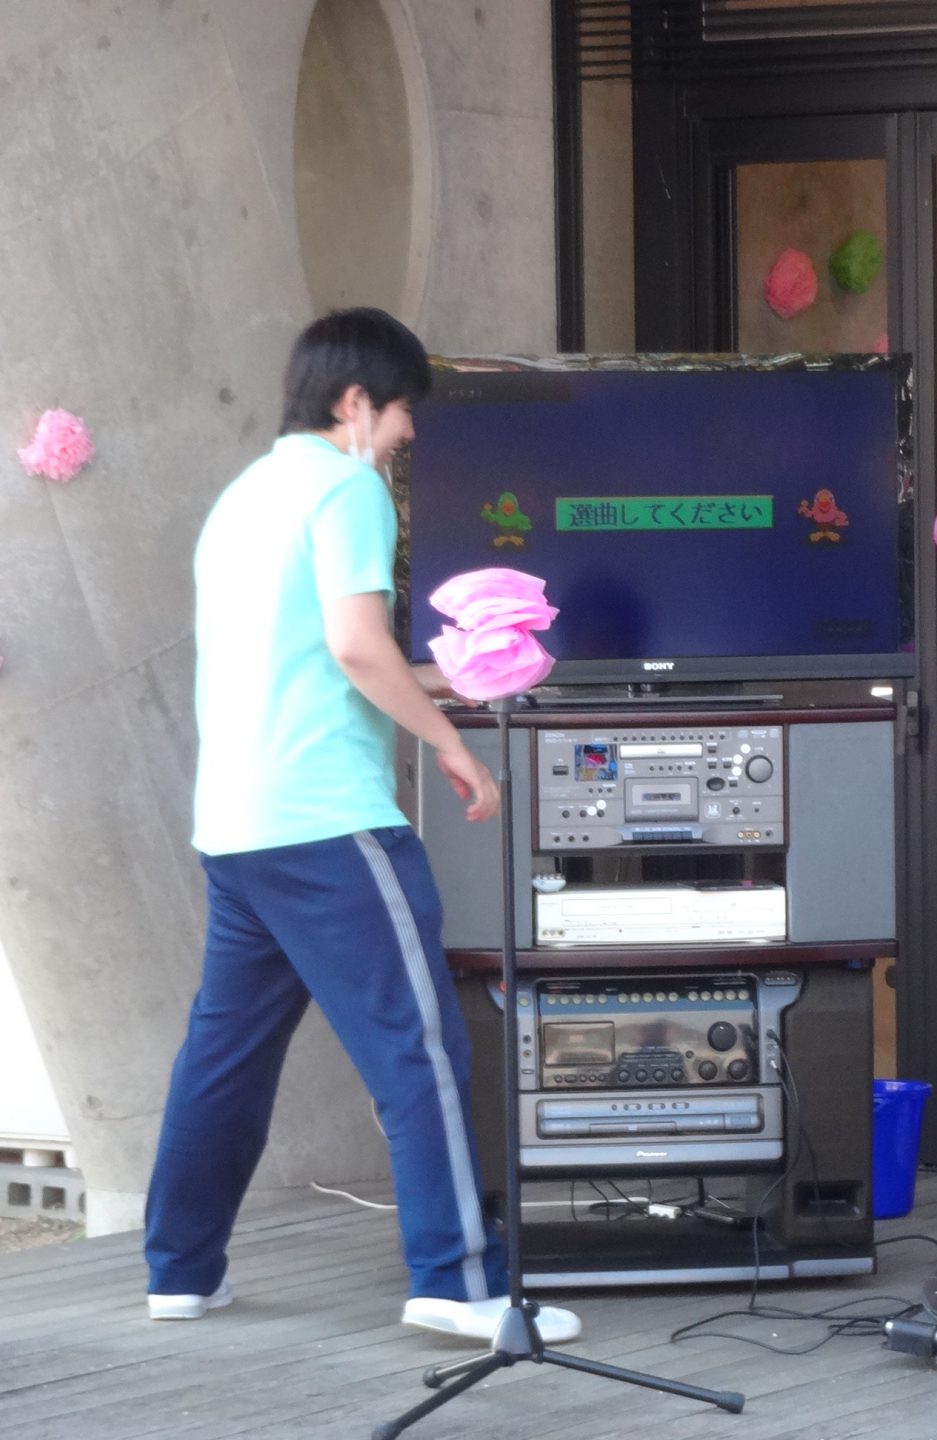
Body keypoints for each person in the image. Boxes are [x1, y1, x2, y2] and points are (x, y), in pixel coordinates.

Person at [143, 309, 580, 1344]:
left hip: (240, 826)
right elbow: (353, 643)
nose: (407, 434)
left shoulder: (243, 497)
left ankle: (180, 1269)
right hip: (328, 823)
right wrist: (453, 742)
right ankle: (457, 1283)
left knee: (226, 1055)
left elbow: (323, 652)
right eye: (400, 413)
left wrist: (449, 676)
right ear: (355, 404)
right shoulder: (347, 488)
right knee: (419, 1050)